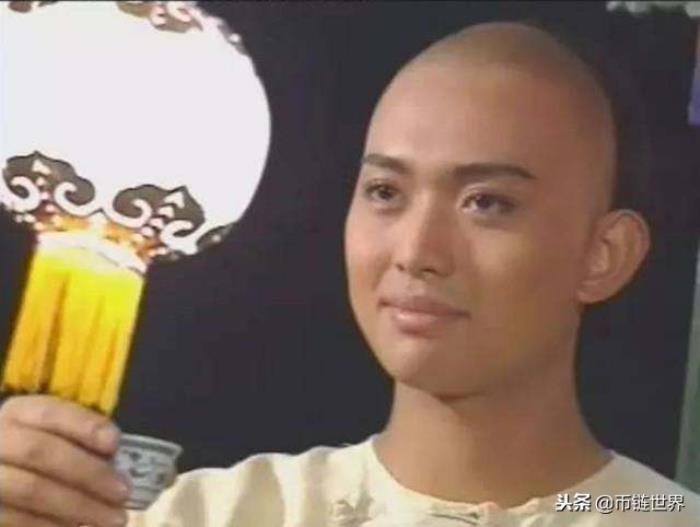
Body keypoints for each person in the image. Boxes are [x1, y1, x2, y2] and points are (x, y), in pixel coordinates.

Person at [0, 20, 698, 527]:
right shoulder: (221, 513)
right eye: (386, 193)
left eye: (488, 202)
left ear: (604, 254)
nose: (417, 250)